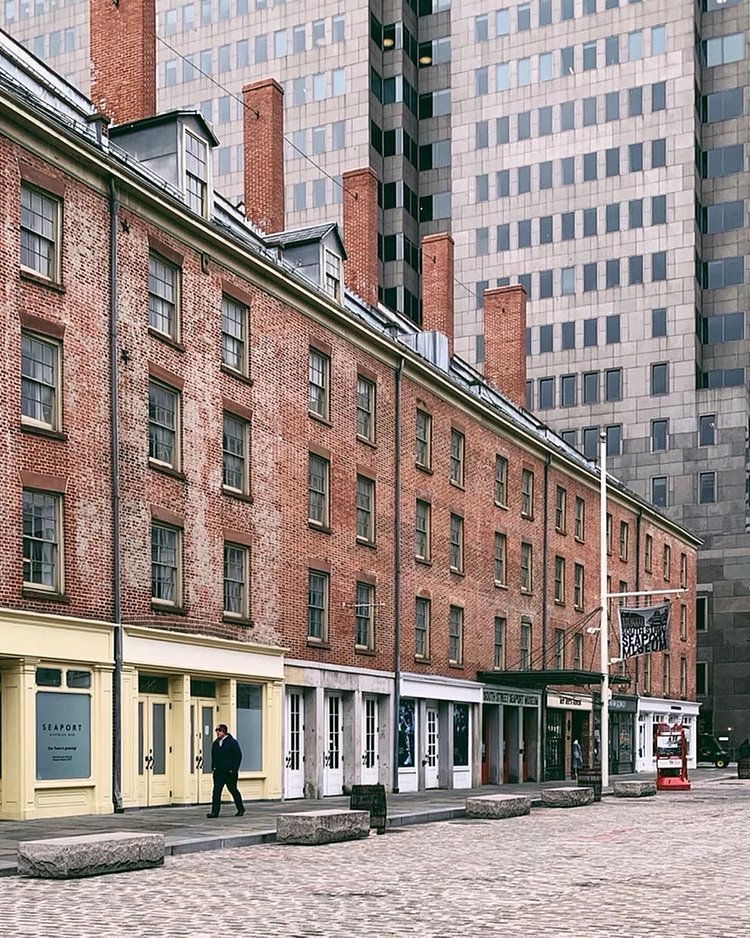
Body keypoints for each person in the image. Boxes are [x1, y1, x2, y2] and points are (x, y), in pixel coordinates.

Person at [207, 724, 245, 818]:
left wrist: (234, 769)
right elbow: (214, 756)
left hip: (229, 772)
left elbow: (238, 756)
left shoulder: (232, 743)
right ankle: (215, 812)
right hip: (219, 772)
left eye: (219, 731)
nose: (218, 733)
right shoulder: (215, 743)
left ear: (224, 732)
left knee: (233, 789)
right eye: (217, 731)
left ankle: (240, 808)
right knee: (216, 791)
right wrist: (214, 767)